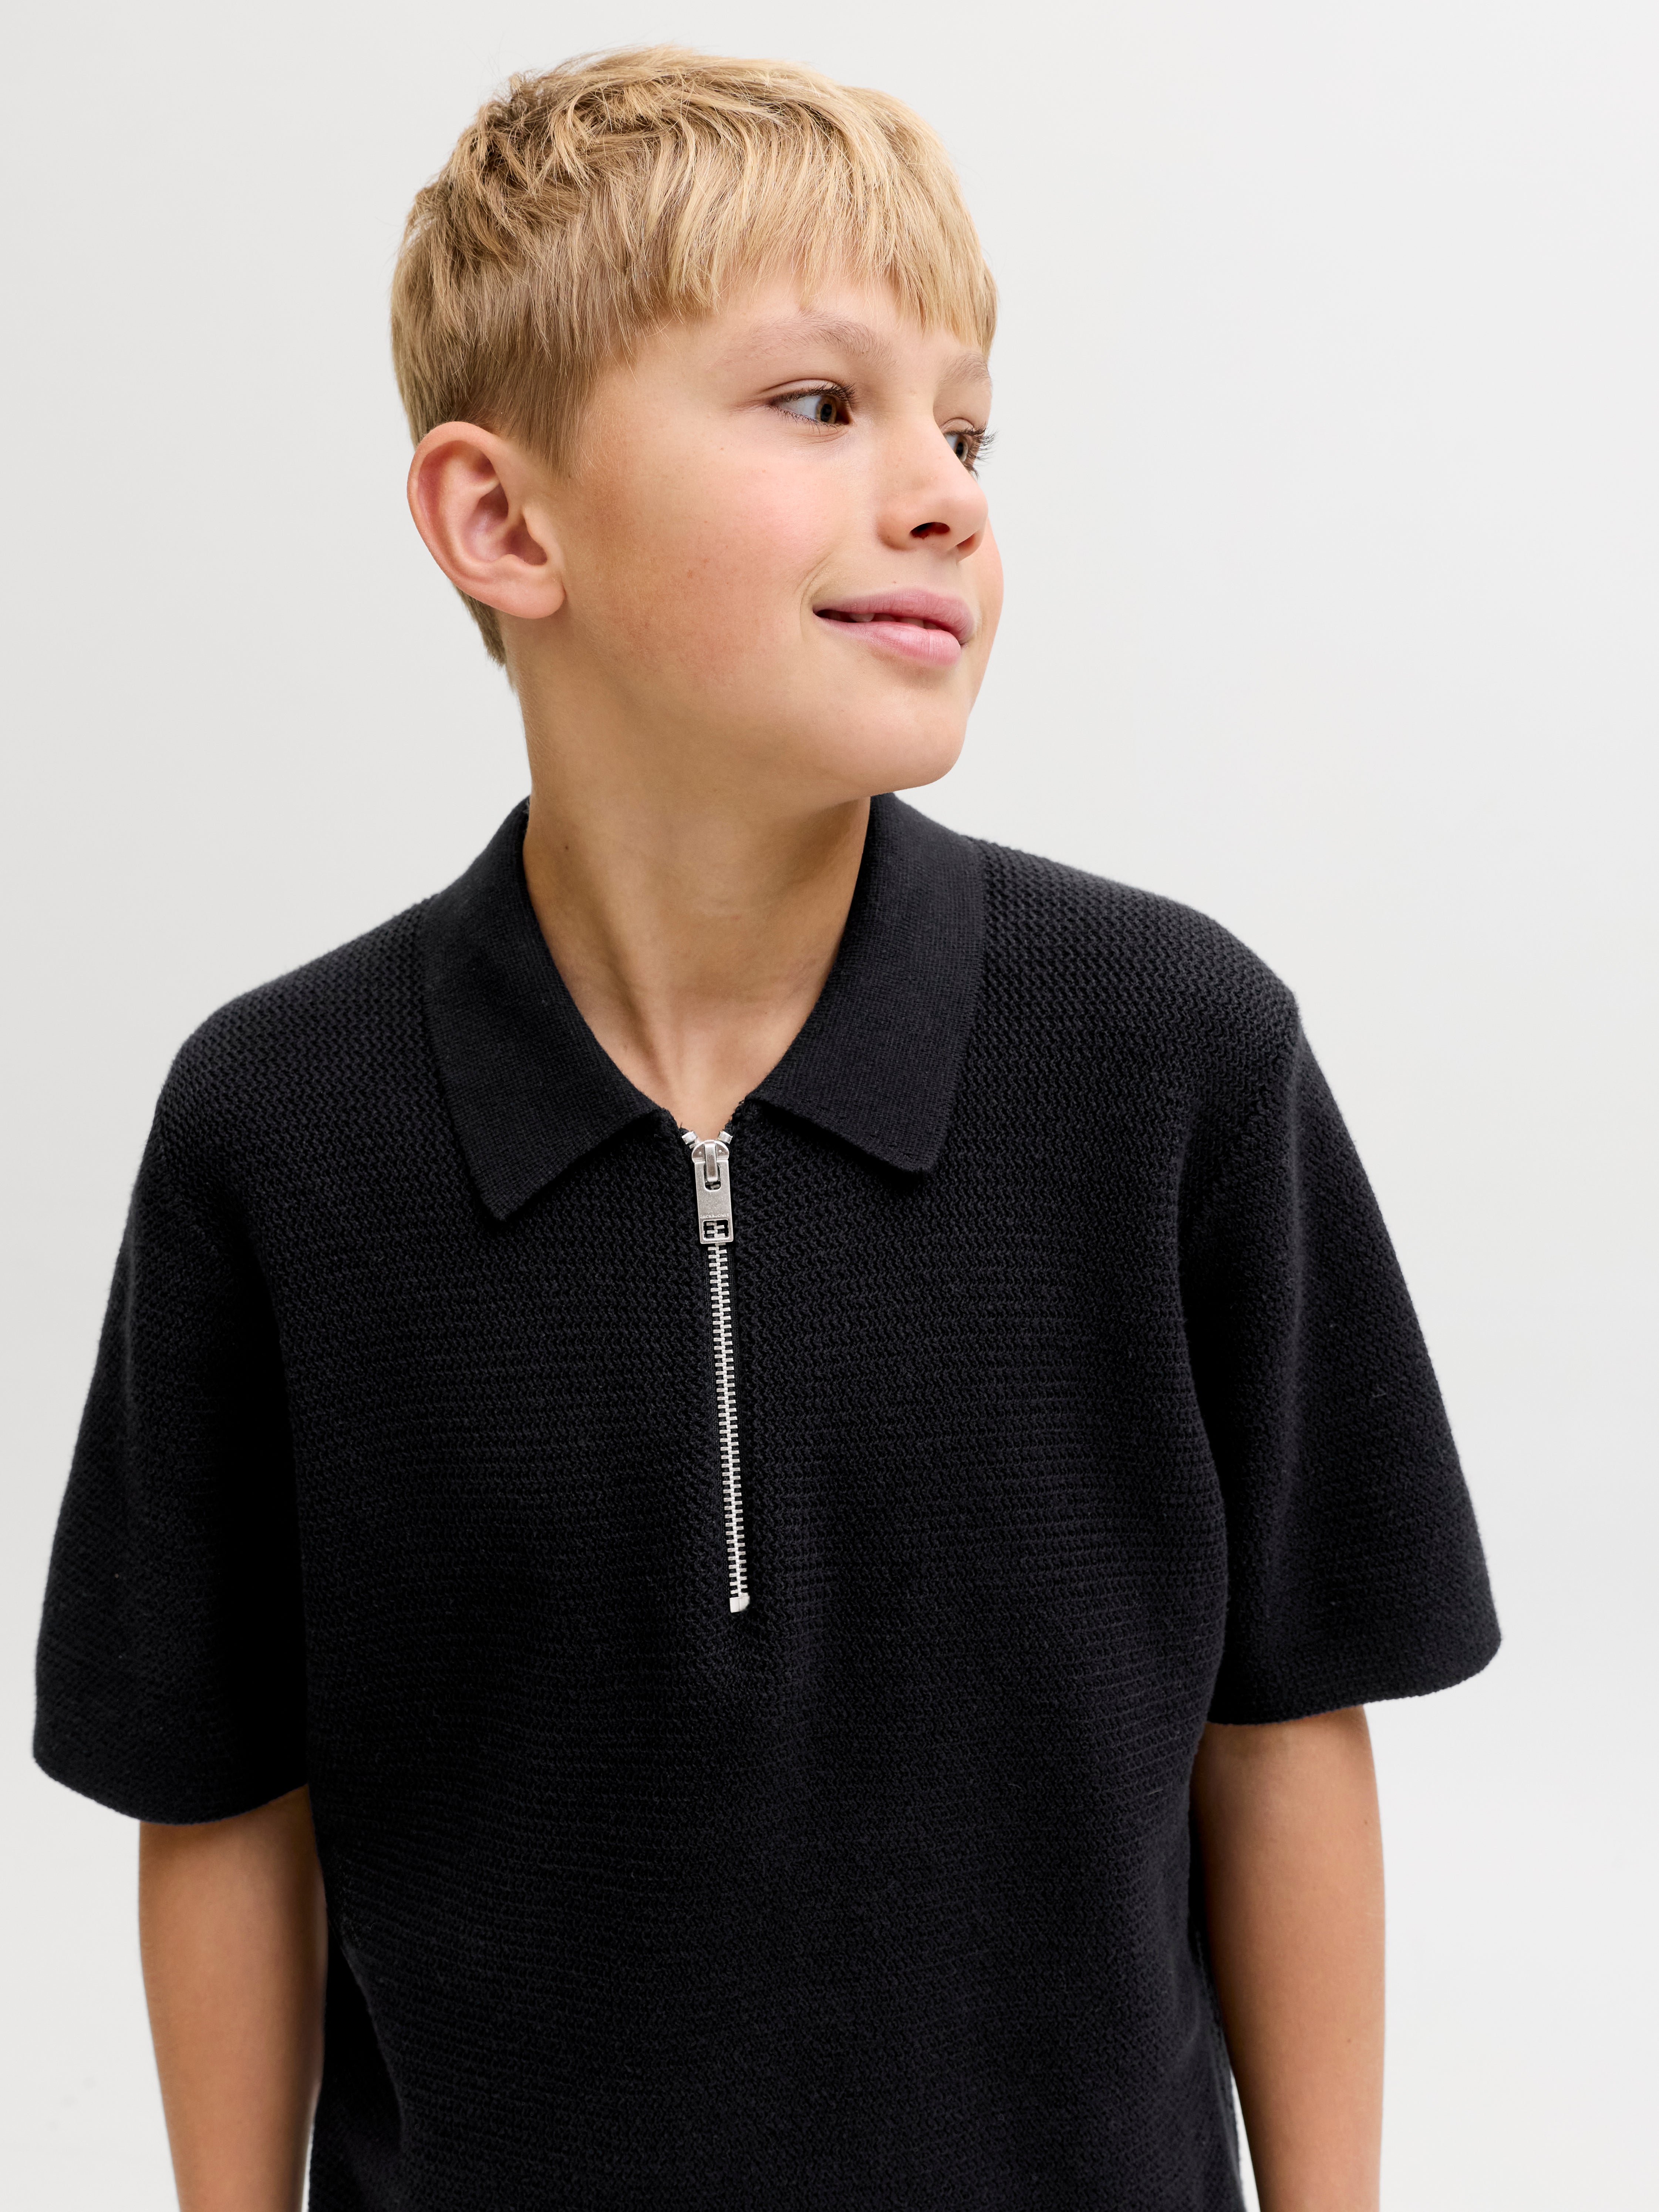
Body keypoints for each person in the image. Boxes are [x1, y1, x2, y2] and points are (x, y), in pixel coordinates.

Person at [34, 46, 1498, 2212]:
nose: (944, 494)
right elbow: (223, 1802)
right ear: (501, 520)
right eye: (820, 405)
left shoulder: (1176, 1059)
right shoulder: (281, 1133)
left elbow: (1282, 1731)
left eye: (966, 430)